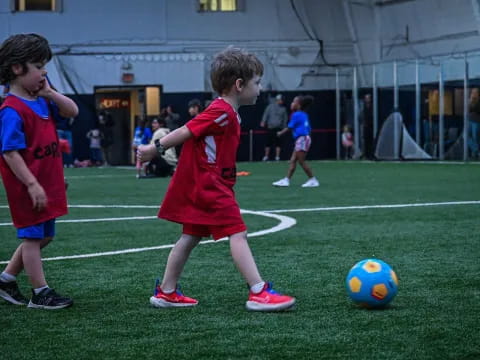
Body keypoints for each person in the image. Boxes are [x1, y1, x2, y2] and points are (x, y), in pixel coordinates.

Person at [137, 46, 295, 311]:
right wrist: (154, 149)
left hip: (209, 184)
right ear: (239, 85)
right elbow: (185, 130)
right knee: (238, 232)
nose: (260, 87)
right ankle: (258, 291)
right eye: (257, 82)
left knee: (190, 236)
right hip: (210, 186)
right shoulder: (220, 110)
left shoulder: (227, 111)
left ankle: (166, 292)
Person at [0, 33, 78, 309]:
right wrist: (32, 184)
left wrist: (49, 92)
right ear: (17, 68)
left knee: (45, 236)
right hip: (27, 186)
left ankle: (7, 279)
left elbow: (72, 111)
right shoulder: (11, 109)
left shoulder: (42, 100)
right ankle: (40, 292)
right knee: (32, 238)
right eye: (38, 65)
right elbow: (9, 152)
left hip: (46, 184)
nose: (44, 71)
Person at [272, 95, 319, 187]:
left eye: (294, 102)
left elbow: (290, 127)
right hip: (303, 138)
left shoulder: (296, 114)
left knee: (301, 161)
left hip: (302, 139)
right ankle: (286, 180)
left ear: (299, 105)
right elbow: (309, 128)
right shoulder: (304, 114)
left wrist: (280, 133)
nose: (292, 103)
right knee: (293, 160)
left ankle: (313, 179)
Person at [260, 94, 288, 161]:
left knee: (278, 143)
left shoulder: (283, 109)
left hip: (279, 128)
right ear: (278, 100)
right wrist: (263, 121)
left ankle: (277, 157)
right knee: (268, 143)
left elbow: (285, 119)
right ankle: (266, 156)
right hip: (270, 127)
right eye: (281, 100)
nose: (282, 101)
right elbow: (266, 114)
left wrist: (284, 128)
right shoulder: (270, 107)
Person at [359, 93, 374, 160]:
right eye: (366, 98)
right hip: (366, 127)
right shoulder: (363, 107)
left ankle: (371, 154)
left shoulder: (373, 106)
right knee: (366, 141)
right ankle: (366, 155)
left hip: (372, 127)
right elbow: (360, 116)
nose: (367, 99)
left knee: (372, 140)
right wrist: (363, 122)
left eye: (368, 98)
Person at [468, 88, 480, 159]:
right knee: (466, 136)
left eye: (474, 92)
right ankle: (477, 150)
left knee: (475, 138)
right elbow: (469, 109)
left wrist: (474, 101)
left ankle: (474, 155)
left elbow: (477, 110)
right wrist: (471, 101)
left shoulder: (478, 100)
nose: (473, 93)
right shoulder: (471, 100)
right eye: (472, 92)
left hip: (477, 121)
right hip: (470, 120)